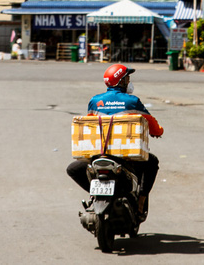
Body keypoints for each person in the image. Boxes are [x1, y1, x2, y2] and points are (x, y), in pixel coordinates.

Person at [66, 64, 163, 217]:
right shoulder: (132, 101)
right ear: (122, 81)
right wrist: (158, 132)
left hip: (99, 153)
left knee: (73, 169)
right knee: (152, 163)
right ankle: (141, 201)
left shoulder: (95, 101)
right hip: (125, 154)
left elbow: (91, 125)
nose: (129, 82)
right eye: (127, 79)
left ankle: (93, 195)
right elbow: (152, 125)